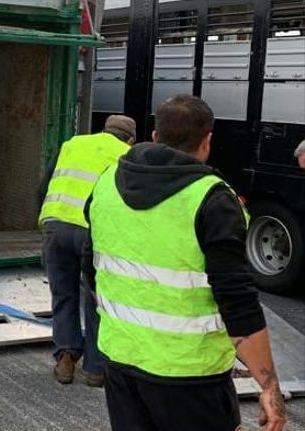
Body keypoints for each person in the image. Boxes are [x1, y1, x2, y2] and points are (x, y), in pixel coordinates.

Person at [84, 95, 286, 431]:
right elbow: (237, 302)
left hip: (121, 364)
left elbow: (90, 269)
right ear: (207, 142)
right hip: (192, 378)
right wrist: (269, 386)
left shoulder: (106, 182)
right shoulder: (213, 199)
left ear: (155, 136)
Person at [37, 115, 136, 387]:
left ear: (103, 130)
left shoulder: (73, 144)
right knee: (96, 297)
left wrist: (46, 225)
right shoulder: (127, 155)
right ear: (130, 139)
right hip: (92, 232)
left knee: (63, 294)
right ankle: (95, 369)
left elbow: (43, 187)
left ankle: (65, 359)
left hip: (55, 225)